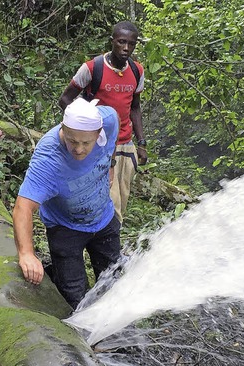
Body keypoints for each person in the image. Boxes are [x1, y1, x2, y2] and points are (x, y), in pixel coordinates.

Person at [12, 98, 121, 309]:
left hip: (104, 219)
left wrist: (111, 164)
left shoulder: (109, 120)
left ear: (98, 134)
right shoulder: (48, 160)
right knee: (74, 296)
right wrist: (26, 254)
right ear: (62, 128)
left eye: (86, 143)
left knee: (114, 284)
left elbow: (114, 136)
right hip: (65, 228)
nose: (78, 149)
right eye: (72, 141)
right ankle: (84, 338)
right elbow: (22, 208)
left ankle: (112, 334)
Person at [59, 21, 148, 223]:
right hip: (99, 145)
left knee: (121, 201)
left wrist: (141, 142)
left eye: (131, 44)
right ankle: (108, 248)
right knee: (110, 202)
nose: (126, 48)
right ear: (112, 42)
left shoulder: (137, 71)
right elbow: (65, 99)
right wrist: (84, 130)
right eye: (121, 42)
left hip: (125, 144)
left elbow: (135, 107)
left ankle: (109, 245)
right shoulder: (93, 68)